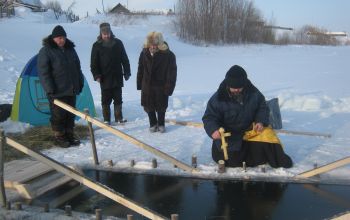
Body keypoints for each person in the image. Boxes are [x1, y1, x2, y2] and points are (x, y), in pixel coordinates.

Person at [202, 65, 292, 168]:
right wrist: (213, 130)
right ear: (228, 85)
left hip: (249, 131)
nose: (236, 90)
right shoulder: (218, 98)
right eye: (233, 88)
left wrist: (260, 121)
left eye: (239, 88)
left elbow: (262, 107)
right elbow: (209, 117)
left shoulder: (253, 93)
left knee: (269, 139)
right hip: (229, 134)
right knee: (232, 161)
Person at [37, 25, 84, 147]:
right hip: (57, 90)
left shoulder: (70, 49)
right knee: (59, 114)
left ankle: (69, 134)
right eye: (58, 38)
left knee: (70, 113)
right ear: (53, 38)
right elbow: (43, 72)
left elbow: (77, 68)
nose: (61, 40)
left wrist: (80, 82)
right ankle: (59, 136)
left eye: (63, 37)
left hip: (71, 88)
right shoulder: (46, 51)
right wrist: (49, 89)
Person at [90, 22, 131, 124]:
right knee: (105, 100)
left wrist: (127, 72)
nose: (107, 36)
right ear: (101, 33)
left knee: (118, 98)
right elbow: (93, 63)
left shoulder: (118, 43)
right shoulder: (96, 45)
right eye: (104, 34)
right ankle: (107, 120)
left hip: (117, 76)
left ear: (110, 32)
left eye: (108, 33)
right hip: (104, 77)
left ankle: (118, 118)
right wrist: (96, 75)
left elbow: (124, 59)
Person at [137, 31, 177, 133]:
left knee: (161, 106)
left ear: (160, 44)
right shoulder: (144, 53)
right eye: (151, 45)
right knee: (148, 105)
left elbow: (172, 73)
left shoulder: (168, 55)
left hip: (161, 85)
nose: (153, 47)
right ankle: (153, 123)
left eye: (155, 45)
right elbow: (140, 69)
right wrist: (139, 83)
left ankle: (161, 123)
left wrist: (169, 86)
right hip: (147, 85)